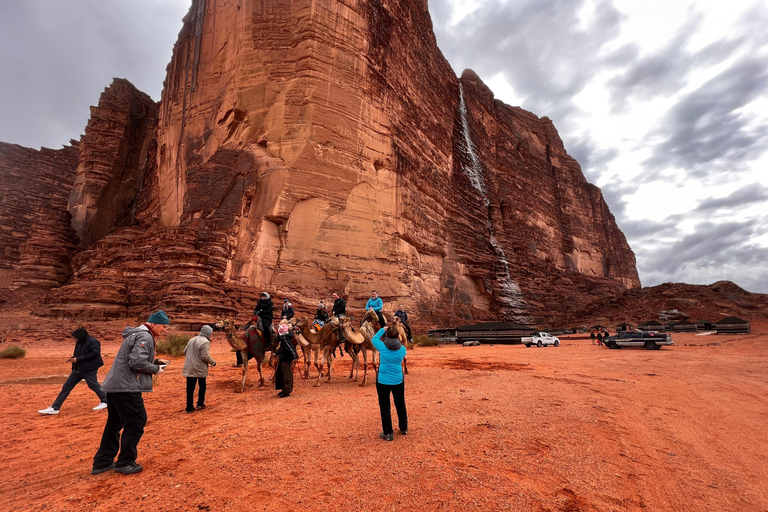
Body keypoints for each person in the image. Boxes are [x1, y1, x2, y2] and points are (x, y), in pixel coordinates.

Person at [91, 310, 170, 475]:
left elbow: (132, 359)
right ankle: (125, 462)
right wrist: (156, 369)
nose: (164, 330)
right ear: (153, 324)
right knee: (137, 421)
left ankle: (103, 462)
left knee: (115, 423)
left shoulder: (136, 335)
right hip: (126, 387)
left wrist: (153, 361)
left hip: (115, 386)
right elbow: (136, 362)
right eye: (163, 326)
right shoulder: (144, 336)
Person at [38, 328, 107, 415]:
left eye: (76, 337)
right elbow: (77, 353)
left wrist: (77, 359)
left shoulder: (93, 341)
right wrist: (74, 361)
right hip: (78, 369)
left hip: (89, 368)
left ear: (81, 336)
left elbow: (95, 354)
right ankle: (55, 408)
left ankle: (105, 401)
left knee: (93, 385)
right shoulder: (79, 342)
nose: (75, 339)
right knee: (66, 386)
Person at [372, 323, 408, 441]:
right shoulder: (402, 349)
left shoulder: (382, 346)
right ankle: (403, 428)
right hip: (398, 380)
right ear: (398, 335)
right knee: (400, 403)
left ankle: (388, 433)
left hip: (383, 380)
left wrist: (383, 329)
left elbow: (374, 339)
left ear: (387, 335)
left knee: (385, 406)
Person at [182, 325, 217, 413]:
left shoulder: (192, 339)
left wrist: (192, 357)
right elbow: (205, 356)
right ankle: (200, 404)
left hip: (189, 367)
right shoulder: (205, 342)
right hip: (199, 368)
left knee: (190, 388)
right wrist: (213, 362)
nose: (211, 336)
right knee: (202, 386)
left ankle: (189, 407)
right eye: (211, 334)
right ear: (208, 333)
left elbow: (184, 352)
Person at [275, 319, 298, 398]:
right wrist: (276, 353)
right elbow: (282, 348)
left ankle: (287, 391)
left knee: (286, 375)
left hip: (286, 359)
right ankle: (283, 390)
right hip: (283, 358)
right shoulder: (284, 338)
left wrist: (294, 356)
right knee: (281, 374)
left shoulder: (285, 338)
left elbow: (290, 348)